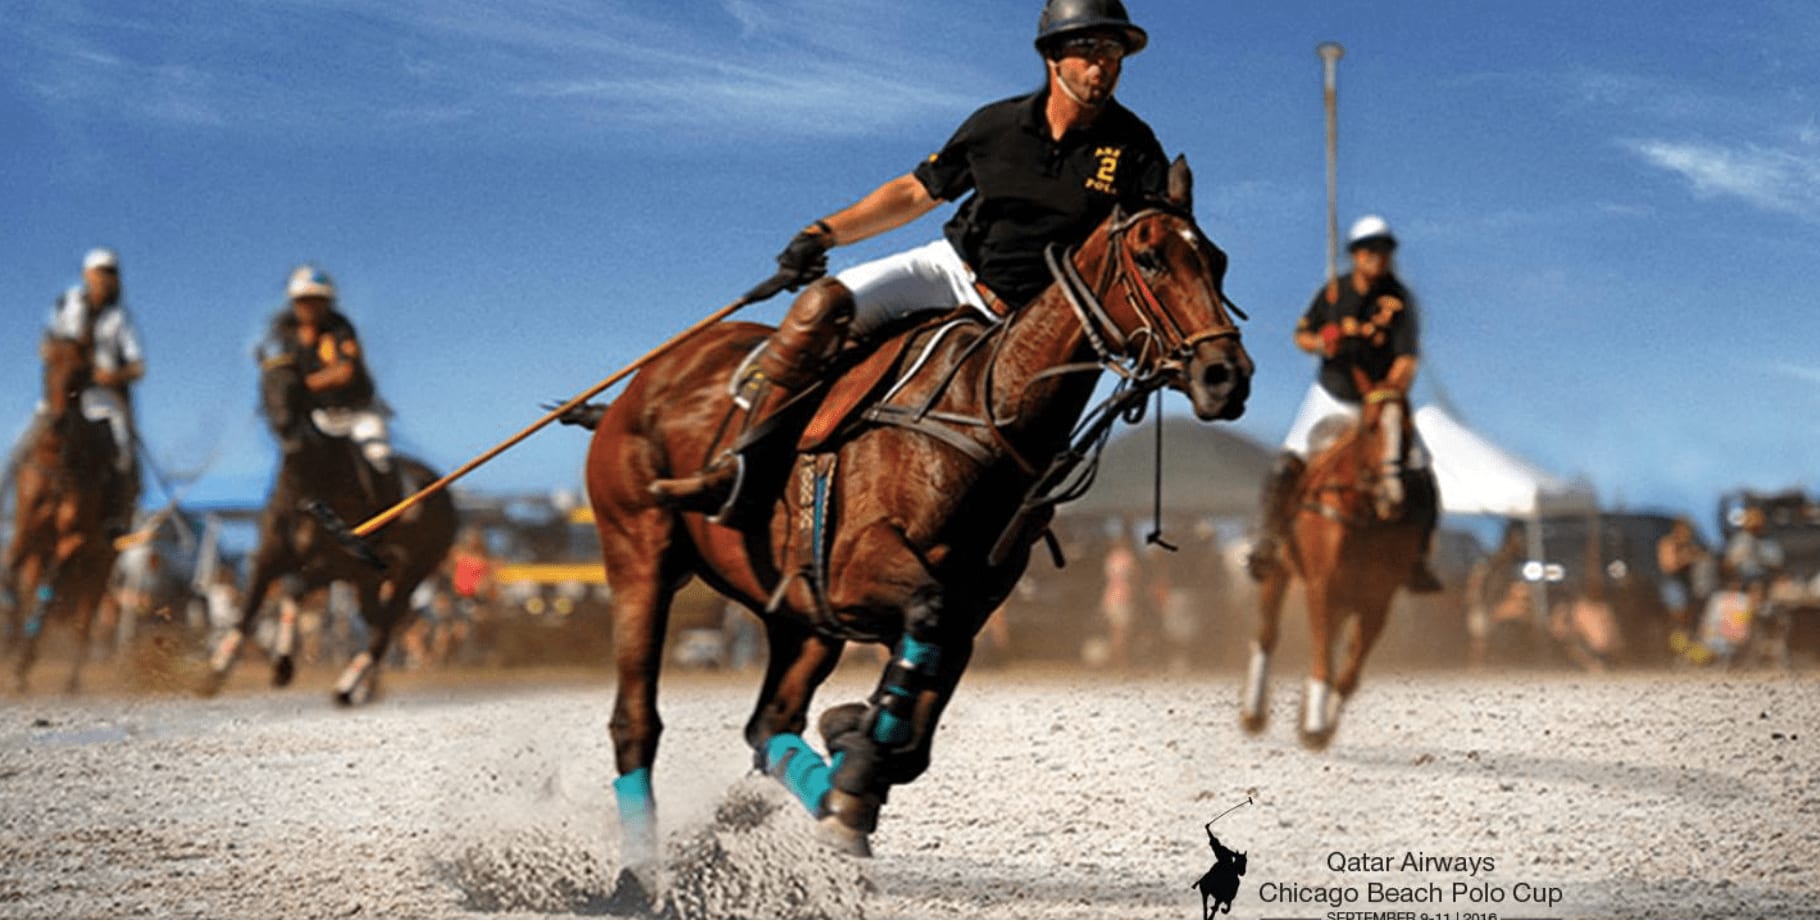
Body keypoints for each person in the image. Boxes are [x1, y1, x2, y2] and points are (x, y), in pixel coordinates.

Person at [649, 0, 1172, 517]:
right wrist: (824, 233)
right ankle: (743, 465)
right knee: (820, 306)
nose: (1103, 64)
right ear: (1053, 55)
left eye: (1113, 51)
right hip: (951, 272)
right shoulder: (996, 126)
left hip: (1040, 323)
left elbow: (1158, 243)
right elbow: (914, 194)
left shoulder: (1136, 147)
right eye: (1088, 48)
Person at [1245, 216, 1442, 592]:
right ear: (1355, 254)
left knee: (1420, 469)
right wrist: (1323, 343)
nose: (1378, 257)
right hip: (1332, 395)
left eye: (1383, 250)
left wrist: (1389, 392)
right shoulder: (1333, 293)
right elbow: (1301, 335)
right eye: (1370, 250)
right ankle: (1267, 540)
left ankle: (1417, 558)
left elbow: (1406, 360)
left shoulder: (1400, 300)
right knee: (1286, 463)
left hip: (1380, 401)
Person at [265, 265, 396, 505]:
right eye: (303, 301)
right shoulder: (284, 333)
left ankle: (390, 517)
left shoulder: (340, 328)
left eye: (317, 301)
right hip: (315, 416)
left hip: (357, 412)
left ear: (328, 302)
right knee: (293, 462)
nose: (310, 307)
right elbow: (274, 371)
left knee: (378, 455)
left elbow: (345, 372)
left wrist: (302, 386)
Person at [41, 247, 146, 532]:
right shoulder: (68, 303)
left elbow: (138, 367)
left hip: (101, 400)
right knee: (28, 443)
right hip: (65, 394)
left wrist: (112, 376)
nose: (106, 280)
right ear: (88, 274)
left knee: (122, 447)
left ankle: (113, 517)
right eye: (102, 273)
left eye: (112, 274)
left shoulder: (120, 319)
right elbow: (48, 342)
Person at [1655, 516, 1706, 654]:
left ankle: (1687, 648)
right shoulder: (1668, 544)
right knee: (1678, 615)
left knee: (1691, 617)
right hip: (1671, 583)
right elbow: (1668, 566)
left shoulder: (1690, 545)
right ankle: (1674, 647)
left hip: (1687, 585)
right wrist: (1685, 559)